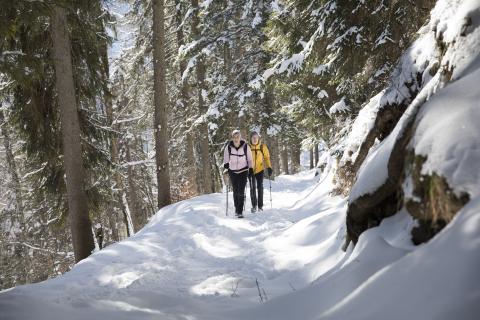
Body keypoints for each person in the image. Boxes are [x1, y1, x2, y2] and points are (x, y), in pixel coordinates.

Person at [223, 130, 253, 218]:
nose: (236, 139)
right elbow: (226, 157)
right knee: (235, 191)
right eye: (234, 137)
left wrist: (250, 168)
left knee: (241, 190)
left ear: (240, 137)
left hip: (243, 171)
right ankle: (236, 209)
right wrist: (226, 163)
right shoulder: (229, 146)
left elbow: (250, 159)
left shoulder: (245, 146)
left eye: (238, 137)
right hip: (232, 171)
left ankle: (240, 211)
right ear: (232, 138)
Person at [249, 131, 273, 212]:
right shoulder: (248, 147)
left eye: (256, 137)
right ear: (251, 139)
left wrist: (269, 167)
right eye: (253, 138)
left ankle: (260, 206)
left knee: (260, 187)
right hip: (250, 170)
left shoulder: (263, 147)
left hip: (260, 169)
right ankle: (254, 206)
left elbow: (267, 157)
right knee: (252, 188)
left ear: (258, 138)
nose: (255, 139)